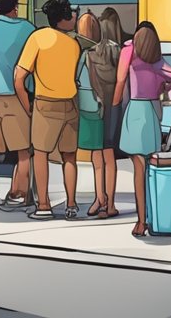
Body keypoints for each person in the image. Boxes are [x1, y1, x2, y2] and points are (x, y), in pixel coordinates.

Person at [15, 0, 82, 220]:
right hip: (70, 104)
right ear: (62, 18)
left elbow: (19, 77)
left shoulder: (38, 38)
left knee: (41, 155)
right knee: (69, 157)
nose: (73, 17)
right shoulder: (74, 45)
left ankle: (44, 205)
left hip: (45, 103)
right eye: (70, 14)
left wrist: (28, 106)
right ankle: (71, 204)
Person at [115, 21, 171, 237]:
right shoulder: (156, 57)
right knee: (150, 167)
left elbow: (121, 79)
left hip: (136, 110)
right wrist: (163, 87)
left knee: (138, 169)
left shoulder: (130, 50)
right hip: (153, 111)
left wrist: (114, 105)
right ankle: (153, 218)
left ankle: (141, 222)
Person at [0, 0, 37, 210]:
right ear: (16, 5)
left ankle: (2, 189)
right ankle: (18, 193)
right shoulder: (25, 28)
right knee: (25, 149)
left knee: (2, 148)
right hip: (14, 94)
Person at [88, 9, 125, 219]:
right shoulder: (118, 51)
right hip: (113, 106)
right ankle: (110, 203)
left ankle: (98, 198)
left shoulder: (90, 52)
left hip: (94, 106)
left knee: (96, 156)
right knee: (109, 156)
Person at [74, 11, 109, 218]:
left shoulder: (83, 54)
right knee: (100, 157)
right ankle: (101, 196)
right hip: (101, 107)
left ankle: (100, 197)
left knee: (92, 157)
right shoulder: (105, 52)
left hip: (86, 106)